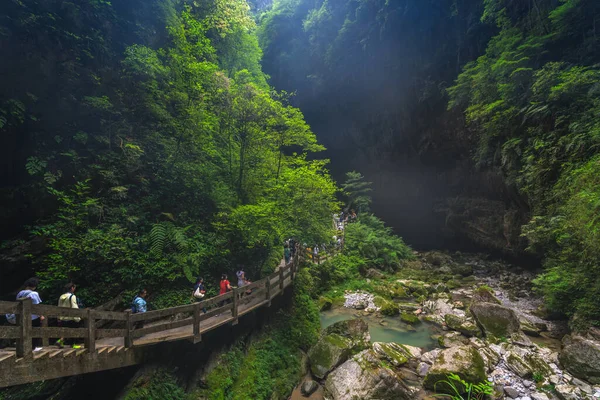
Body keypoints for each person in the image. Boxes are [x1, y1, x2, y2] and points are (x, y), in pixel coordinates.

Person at [5, 277, 46, 351]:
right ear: (34, 286)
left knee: (24, 330)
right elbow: (37, 306)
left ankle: (22, 345)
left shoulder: (20, 293)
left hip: (22, 316)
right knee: (35, 330)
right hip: (32, 317)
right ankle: (33, 347)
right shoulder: (34, 293)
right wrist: (41, 315)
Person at [55, 283, 82, 349]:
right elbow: (74, 307)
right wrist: (77, 317)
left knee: (65, 330)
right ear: (72, 288)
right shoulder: (72, 296)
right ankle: (73, 344)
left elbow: (59, 307)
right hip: (71, 317)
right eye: (74, 288)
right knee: (73, 331)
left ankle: (60, 341)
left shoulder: (61, 296)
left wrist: (59, 316)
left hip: (63, 317)